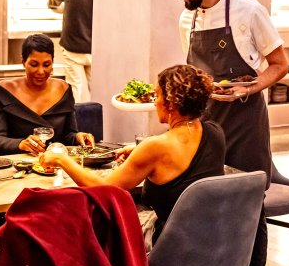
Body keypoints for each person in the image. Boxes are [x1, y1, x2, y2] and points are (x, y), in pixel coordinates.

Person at [166, 0, 289, 266]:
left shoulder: (249, 11)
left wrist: (248, 88)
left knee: (250, 199)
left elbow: (280, 65)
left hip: (245, 120)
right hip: (205, 122)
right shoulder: (187, 19)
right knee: (205, 196)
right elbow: (195, 72)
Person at [40, 64, 225, 248]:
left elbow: (104, 189)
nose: (155, 102)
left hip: (173, 248)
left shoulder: (156, 148)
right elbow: (179, 151)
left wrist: (61, 159)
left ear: (171, 103)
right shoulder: (215, 132)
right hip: (215, 242)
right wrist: (140, 149)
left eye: (157, 96)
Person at [0, 33, 94, 156]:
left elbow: (68, 135)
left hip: (56, 161)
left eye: (46, 65)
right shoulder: (5, 91)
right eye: (34, 65)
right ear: (23, 62)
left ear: (52, 62)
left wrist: (78, 137)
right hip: (18, 162)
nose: (41, 71)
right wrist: (21, 144)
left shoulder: (63, 89)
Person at [48, 0, 95, 102]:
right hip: (96, 49)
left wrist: (68, 9)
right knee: (97, 90)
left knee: (78, 90)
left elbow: (52, 4)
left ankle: (80, 117)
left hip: (73, 47)